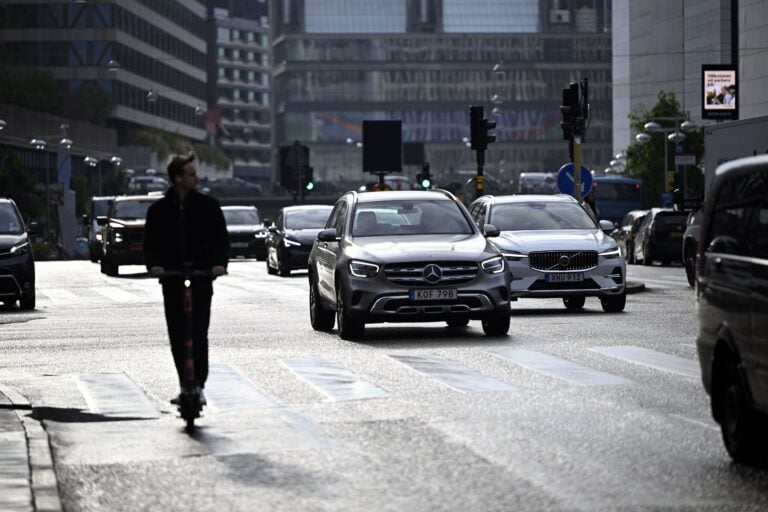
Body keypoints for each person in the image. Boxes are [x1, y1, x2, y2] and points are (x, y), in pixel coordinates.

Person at [143, 153, 229, 405]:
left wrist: (218, 264)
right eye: (191, 174)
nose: (196, 178)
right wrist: (155, 265)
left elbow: (220, 239)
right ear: (177, 178)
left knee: (199, 331)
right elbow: (151, 242)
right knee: (177, 333)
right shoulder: (158, 210)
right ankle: (184, 383)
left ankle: (199, 383)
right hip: (172, 278)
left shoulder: (208, 206)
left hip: (201, 277)